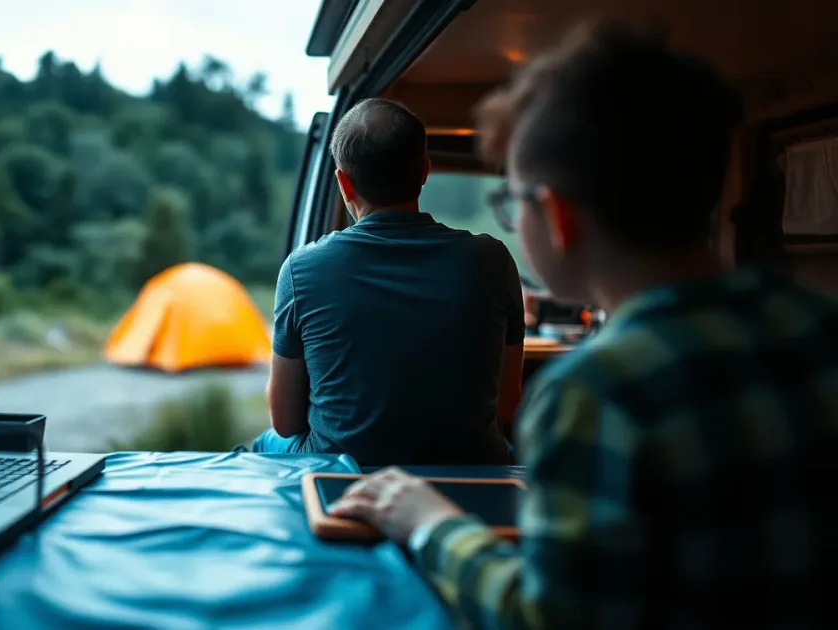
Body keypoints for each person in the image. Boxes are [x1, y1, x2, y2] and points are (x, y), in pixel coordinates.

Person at [333, 21, 838, 629]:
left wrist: (429, 522)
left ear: (557, 217)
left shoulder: (594, 396)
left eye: (514, 202)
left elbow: (545, 618)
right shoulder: (819, 326)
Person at [251, 98, 525, 466]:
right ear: (425, 170)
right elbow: (506, 405)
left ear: (343, 184)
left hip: (344, 475)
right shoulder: (492, 261)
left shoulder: (302, 269)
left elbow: (285, 422)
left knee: (261, 446)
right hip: (469, 469)